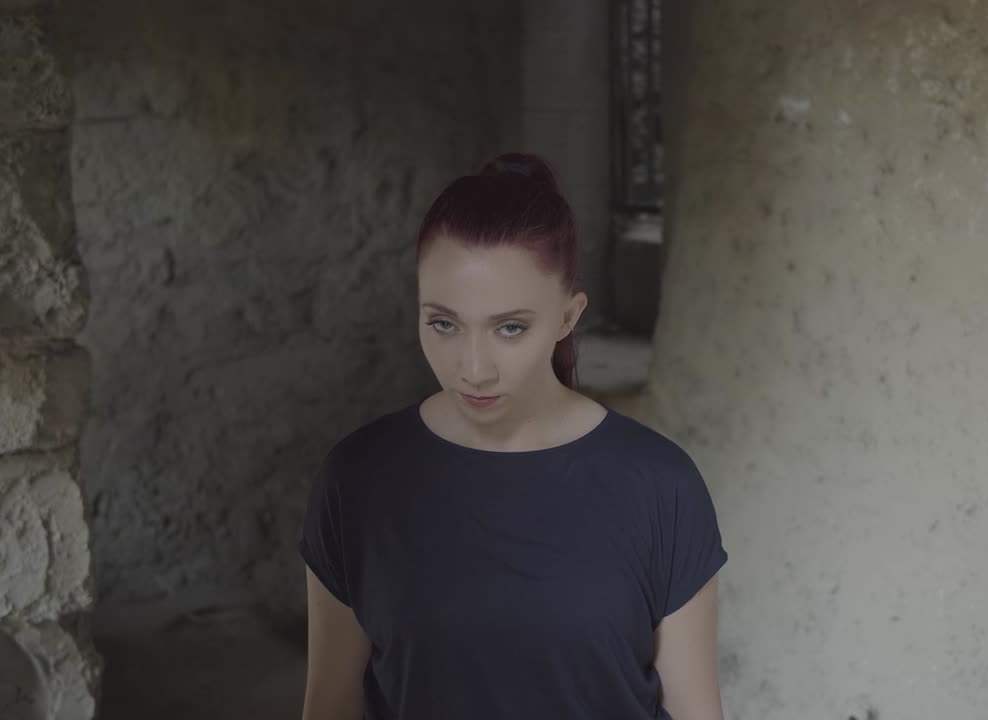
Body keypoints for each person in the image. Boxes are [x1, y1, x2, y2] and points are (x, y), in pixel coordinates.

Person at [298, 153, 728, 719]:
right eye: (444, 323)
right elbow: (330, 706)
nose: (474, 368)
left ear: (569, 317)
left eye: (510, 328)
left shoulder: (661, 487)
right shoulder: (355, 480)